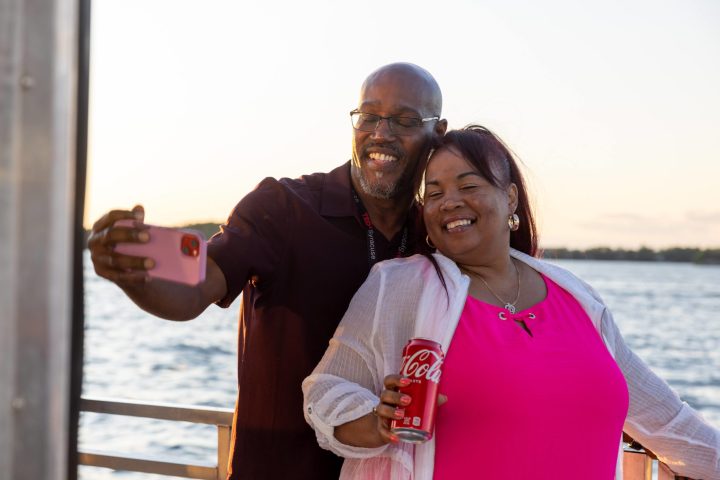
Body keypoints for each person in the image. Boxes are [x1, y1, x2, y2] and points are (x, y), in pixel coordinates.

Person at [87, 63, 448, 479]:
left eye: (404, 120)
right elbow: (196, 287)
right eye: (368, 116)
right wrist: (134, 272)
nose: (380, 133)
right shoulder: (283, 207)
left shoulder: (436, 235)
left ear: (437, 133)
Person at [302, 125, 720, 479]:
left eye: (469, 185)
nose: (450, 201)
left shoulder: (577, 296)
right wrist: (377, 422)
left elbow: (667, 421)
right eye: (434, 193)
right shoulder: (400, 286)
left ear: (512, 199)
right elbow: (325, 392)